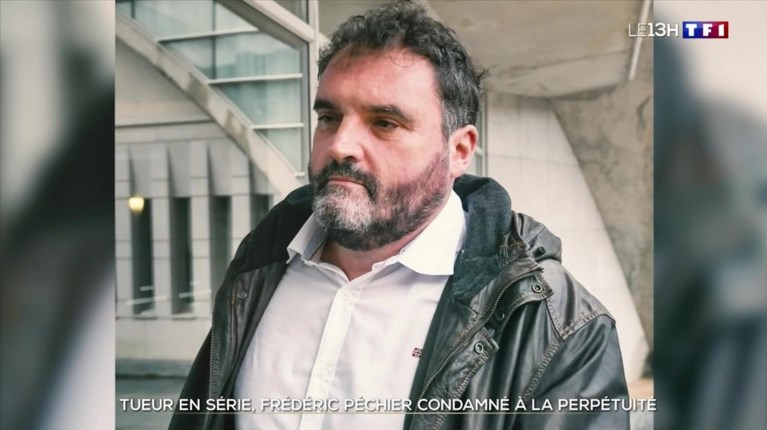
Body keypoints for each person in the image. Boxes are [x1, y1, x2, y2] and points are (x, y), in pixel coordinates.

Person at [169, 2, 628, 429]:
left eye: (384, 123)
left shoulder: (559, 327)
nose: (340, 145)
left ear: (459, 150)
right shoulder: (262, 262)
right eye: (329, 117)